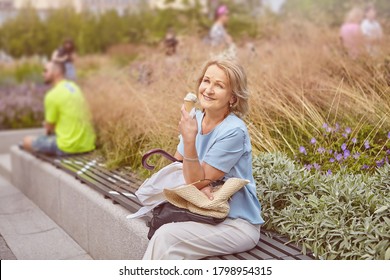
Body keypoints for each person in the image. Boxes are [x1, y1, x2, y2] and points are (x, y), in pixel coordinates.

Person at [143, 58, 264, 260]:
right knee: (164, 234)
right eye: (206, 81)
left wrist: (190, 141)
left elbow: (195, 182)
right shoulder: (195, 118)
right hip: (201, 214)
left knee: (166, 238)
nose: (208, 89)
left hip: (235, 223)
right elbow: (178, 167)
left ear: (233, 98)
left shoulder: (233, 131)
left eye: (219, 85)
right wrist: (197, 181)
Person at [22, 61, 96, 156]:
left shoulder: (52, 95)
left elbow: (49, 128)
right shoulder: (75, 87)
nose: (42, 74)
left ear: (56, 73)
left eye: (45, 71)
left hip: (67, 147)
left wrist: (47, 125)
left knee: (26, 141)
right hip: (87, 145)